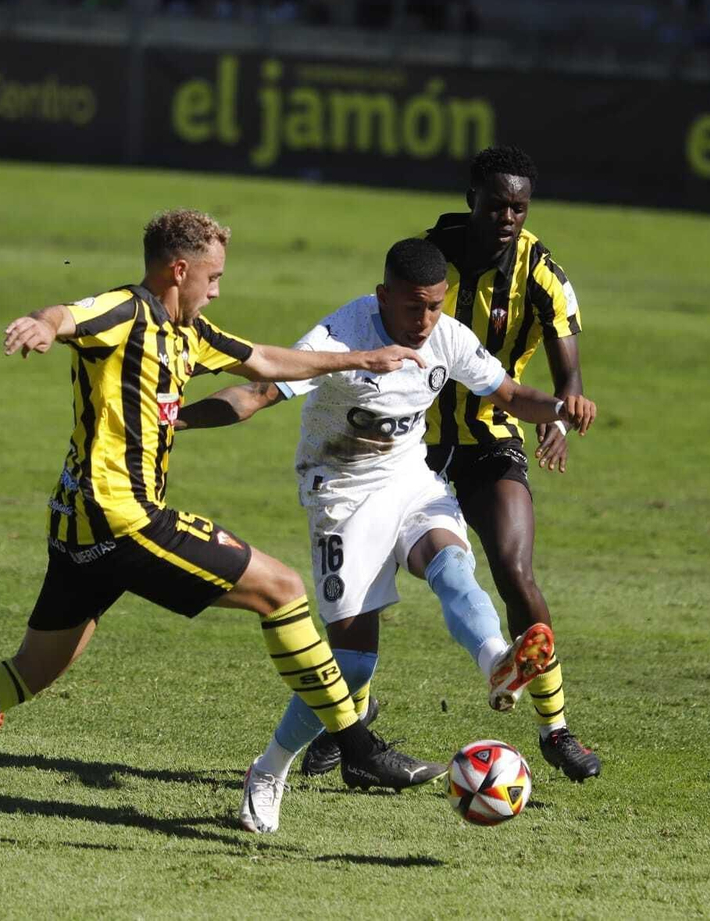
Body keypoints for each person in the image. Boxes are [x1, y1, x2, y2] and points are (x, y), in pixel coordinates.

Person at [0, 210, 448, 833]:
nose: (217, 289)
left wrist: (361, 358)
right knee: (283, 591)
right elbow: (67, 314)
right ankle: (359, 748)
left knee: (29, 671)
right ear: (179, 269)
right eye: (212, 277)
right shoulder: (126, 312)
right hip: (123, 519)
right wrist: (41, 327)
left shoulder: (190, 331)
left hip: (76, 530)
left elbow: (263, 361)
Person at [178, 237, 597, 834]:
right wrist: (175, 417)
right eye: (411, 308)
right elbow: (255, 393)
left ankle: (497, 663)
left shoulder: (447, 336)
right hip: (342, 495)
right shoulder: (338, 339)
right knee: (349, 666)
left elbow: (508, 395)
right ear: (382, 297)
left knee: (454, 569)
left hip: (409, 479)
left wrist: (560, 406)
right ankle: (268, 768)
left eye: (434, 305)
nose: (424, 321)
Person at [418, 145, 603, 783]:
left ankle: (554, 728)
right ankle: (348, 722)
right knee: (365, 585)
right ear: (472, 197)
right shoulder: (428, 256)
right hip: (414, 442)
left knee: (515, 570)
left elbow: (568, 369)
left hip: (492, 434)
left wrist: (559, 413)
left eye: (519, 207)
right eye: (497, 204)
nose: (508, 217)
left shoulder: (541, 271)